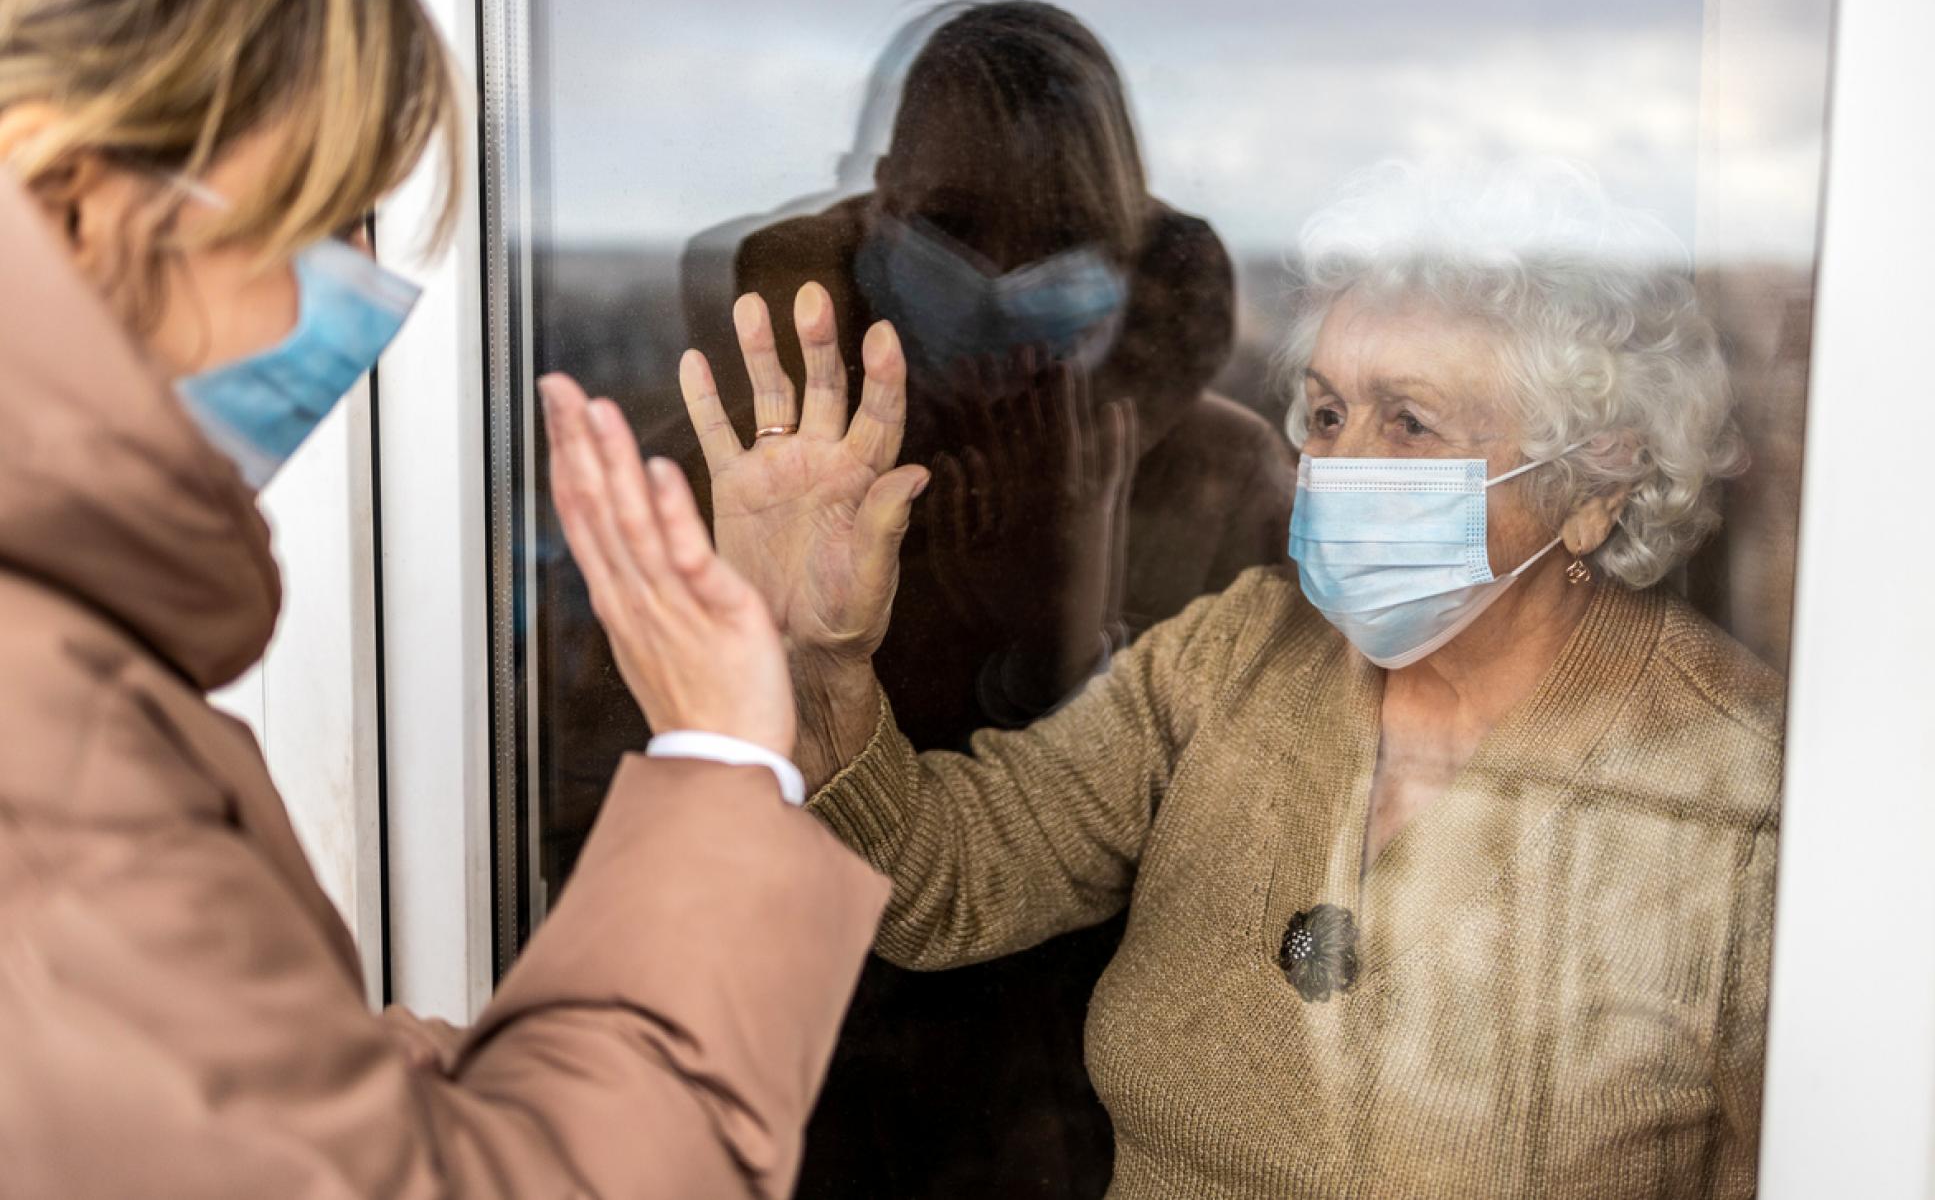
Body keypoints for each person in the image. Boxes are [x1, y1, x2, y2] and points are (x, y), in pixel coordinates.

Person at [0, 0, 885, 1195]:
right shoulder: (46, 758)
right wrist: (720, 760)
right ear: (68, 199)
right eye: (320, 211)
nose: (358, 287)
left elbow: (234, 1115)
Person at [667, 157, 1783, 1198]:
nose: (1334, 472)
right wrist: (815, 666)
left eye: (1409, 423)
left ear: (1597, 475)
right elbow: (941, 879)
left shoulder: (1736, 793)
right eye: (1329, 414)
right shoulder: (1240, 649)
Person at [666, 0, 1295, 1198]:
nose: (1001, 281)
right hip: (797, 1086)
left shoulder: (1224, 479)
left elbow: (1248, 861)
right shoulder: (722, 467)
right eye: (951, 226)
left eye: (1060, 236)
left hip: (1097, 1107)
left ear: (1127, 243)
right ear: (880, 202)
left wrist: (1061, 620)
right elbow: (589, 820)